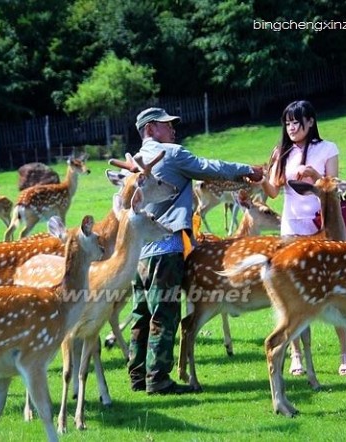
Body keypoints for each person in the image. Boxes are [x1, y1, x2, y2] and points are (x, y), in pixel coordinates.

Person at [128, 107, 264, 395]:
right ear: (150, 129)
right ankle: (159, 380)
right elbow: (210, 168)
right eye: (167, 125)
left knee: (141, 313)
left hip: (137, 251)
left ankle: (138, 376)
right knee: (165, 312)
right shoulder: (171, 154)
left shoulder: (135, 162)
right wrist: (248, 170)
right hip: (166, 248)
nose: (173, 129)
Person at [260, 100, 346, 377]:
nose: (290, 127)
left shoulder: (328, 149)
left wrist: (314, 176)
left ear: (310, 122)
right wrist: (259, 179)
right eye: (287, 122)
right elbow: (274, 192)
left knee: (334, 288)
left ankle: (345, 354)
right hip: (291, 230)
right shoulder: (283, 152)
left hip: (323, 228)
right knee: (295, 295)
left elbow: (332, 187)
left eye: (295, 122)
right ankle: (296, 355)